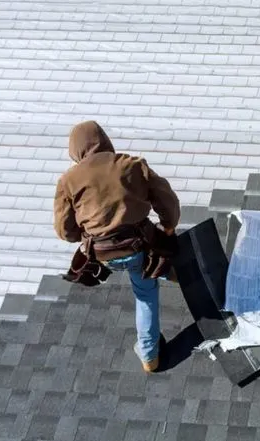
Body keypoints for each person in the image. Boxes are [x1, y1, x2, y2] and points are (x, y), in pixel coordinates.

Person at [53, 121, 180, 372]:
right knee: (145, 292)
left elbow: (65, 231)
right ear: (104, 141)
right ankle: (149, 355)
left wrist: (92, 234)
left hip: (102, 254)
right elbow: (168, 201)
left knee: (145, 272)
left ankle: (169, 272)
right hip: (138, 246)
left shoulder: (68, 181)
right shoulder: (131, 165)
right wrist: (168, 226)